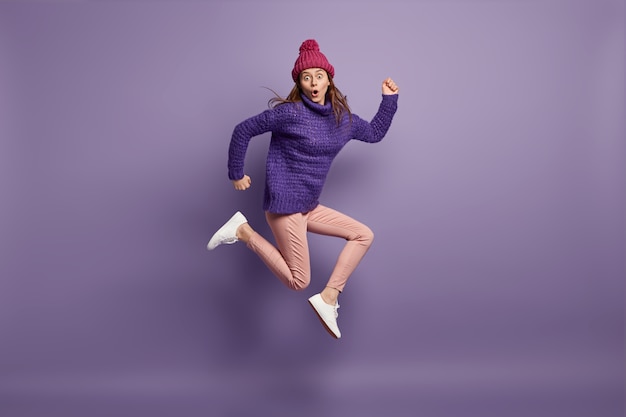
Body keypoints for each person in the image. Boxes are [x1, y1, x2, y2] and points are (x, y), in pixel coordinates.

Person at [208, 39, 399, 339]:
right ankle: (243, 231)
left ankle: (329, 298)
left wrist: (388, 99)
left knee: (363, 235)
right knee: (299, 281)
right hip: (284, 207)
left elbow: (374, 132)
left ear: (328, 80)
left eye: (318, 76)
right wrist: (236, 172)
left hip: (308, 206)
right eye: (306, 77)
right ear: (299, 81)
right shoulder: (290, 114)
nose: (313, 82)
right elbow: (243, 129)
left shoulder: (342, 120)